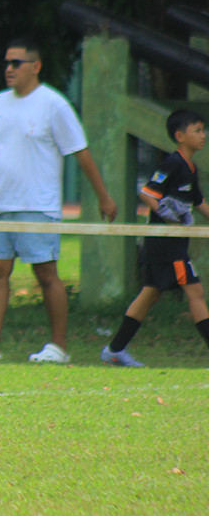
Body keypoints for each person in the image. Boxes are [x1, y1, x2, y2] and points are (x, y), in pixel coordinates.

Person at [0, 38, 118, 364]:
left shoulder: (53, 104)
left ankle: (58, 346)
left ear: (35, 66)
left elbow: (80, 152)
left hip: (38, 205)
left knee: (46, 274)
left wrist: (103, 197)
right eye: (6, 63)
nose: (9, 69)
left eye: (16, 63)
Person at [101, 110, 209, 367]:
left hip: (171, 244)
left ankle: (115, 350)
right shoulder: (172, 163)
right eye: (197, 130)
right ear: (180, 136)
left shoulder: (190, 168)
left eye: (203, 130)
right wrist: (166, 214)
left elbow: (199, 202)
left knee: (150, 294)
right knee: (195, 291)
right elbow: (147, 193)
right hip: (165, 244)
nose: (203, 135)